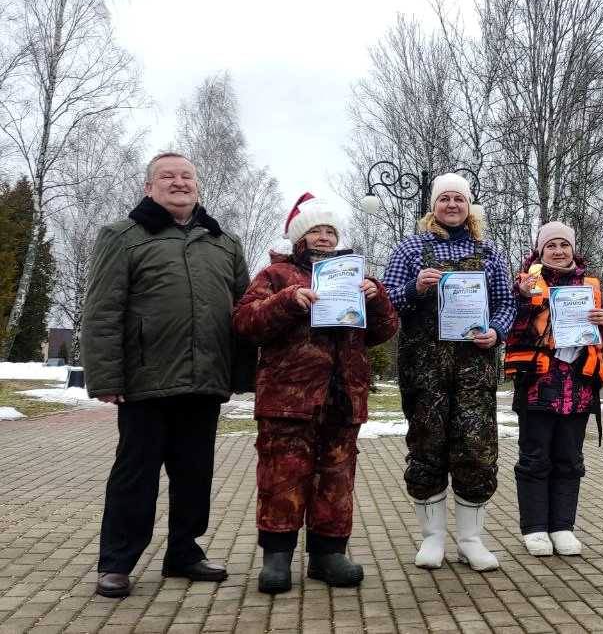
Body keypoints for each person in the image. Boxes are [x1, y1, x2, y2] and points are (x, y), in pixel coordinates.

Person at [82, 152, 252, 598]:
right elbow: (102, 311)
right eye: (167, 176)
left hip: (205, 380)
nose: (179, 182)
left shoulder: (225, 242)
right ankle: (116, 562)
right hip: (145, 381)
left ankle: (183, 552)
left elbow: (243, 312)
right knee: (135, 475)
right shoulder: (122, 236)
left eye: (186, 176)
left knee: (195, 473)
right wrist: (107, 378)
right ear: (148, 187)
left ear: (197, 185)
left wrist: (242, 373)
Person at [232, 193, 399, 593]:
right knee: (282, 478)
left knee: (336, 480)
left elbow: (384, 331)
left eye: (330, 231)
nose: (324, 237)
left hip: (342, 397)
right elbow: (245, 322)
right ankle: (277, 558)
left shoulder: (354, 276)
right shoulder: (275, 275)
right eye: (316, 230)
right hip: (288, 400)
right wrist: (288, 301)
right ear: (299, 238)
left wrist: (376, 299)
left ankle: (328, 555)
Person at [381, 173, 516, 572]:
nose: (452, 204)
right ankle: (432, 538)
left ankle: (471, 540)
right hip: (424, 372)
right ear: (433, 206)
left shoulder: (489, 252)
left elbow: (507, 303)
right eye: (444, 199)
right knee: (427, 447)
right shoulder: (410, 249)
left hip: (474, 370)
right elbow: (386, 303)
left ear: (468, 206)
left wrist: (497, 331)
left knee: (476, 449)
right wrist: (415, 288)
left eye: (459, 198)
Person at [504, 221, 603, 557]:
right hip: (538, 385)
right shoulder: (524, 284)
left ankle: (562, 527)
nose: (558, 251)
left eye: (564, 245)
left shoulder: (589, 286)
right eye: (551, 245)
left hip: (579, 388)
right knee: (534, 458)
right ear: (540, 250)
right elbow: (510, 328)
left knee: (569, 459)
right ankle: (535, 529)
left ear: (573, 249)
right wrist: (523, 300)